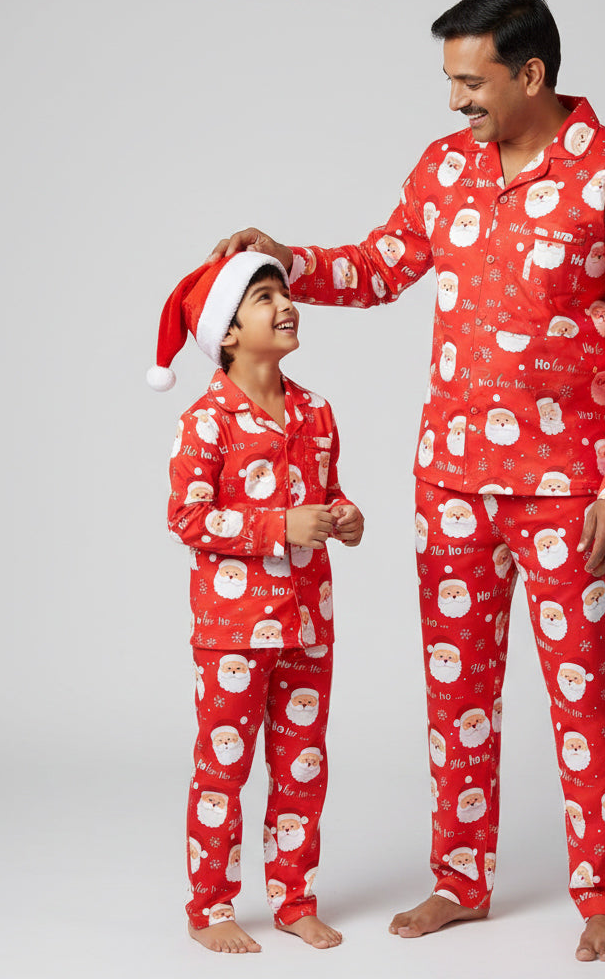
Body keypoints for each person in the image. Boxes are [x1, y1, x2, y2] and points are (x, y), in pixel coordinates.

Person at [208, 0, 605, 963]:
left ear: (531, 74)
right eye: (450, 81)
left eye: (470, 82)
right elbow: (384, 263)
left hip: (567, 493)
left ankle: (603, 894)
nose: (455, 101)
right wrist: (286, 260)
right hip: (452, 482)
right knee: (455, 689)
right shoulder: (445, 170)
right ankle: (461, 881)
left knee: (588, 698)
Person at [147, 251, 364, 953]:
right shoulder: (206, 420)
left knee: (303, 765)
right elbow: (188, 517)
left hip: (308, 625)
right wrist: (278, 527)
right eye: (264, 298)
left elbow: (327, 498)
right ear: (228, 332)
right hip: (234, 632)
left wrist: (345, 515)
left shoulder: (316, 412)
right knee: (224, 770)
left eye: (284, 293)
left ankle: (293, 898)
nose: (285, 305)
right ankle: (210, 906)